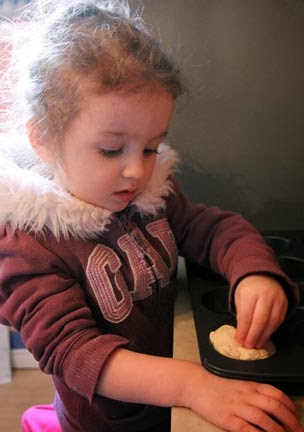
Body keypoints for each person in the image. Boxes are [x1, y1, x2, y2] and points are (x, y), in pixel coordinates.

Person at [0, 1, 302, 431]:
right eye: (110, 150)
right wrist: (193, 386)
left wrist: (255, 274)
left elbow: (212, 228)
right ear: (44, 139)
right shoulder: (28, 244)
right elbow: (77, 354)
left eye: (150, 147)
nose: (137, 171)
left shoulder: (151, 195)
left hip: (176, 403)